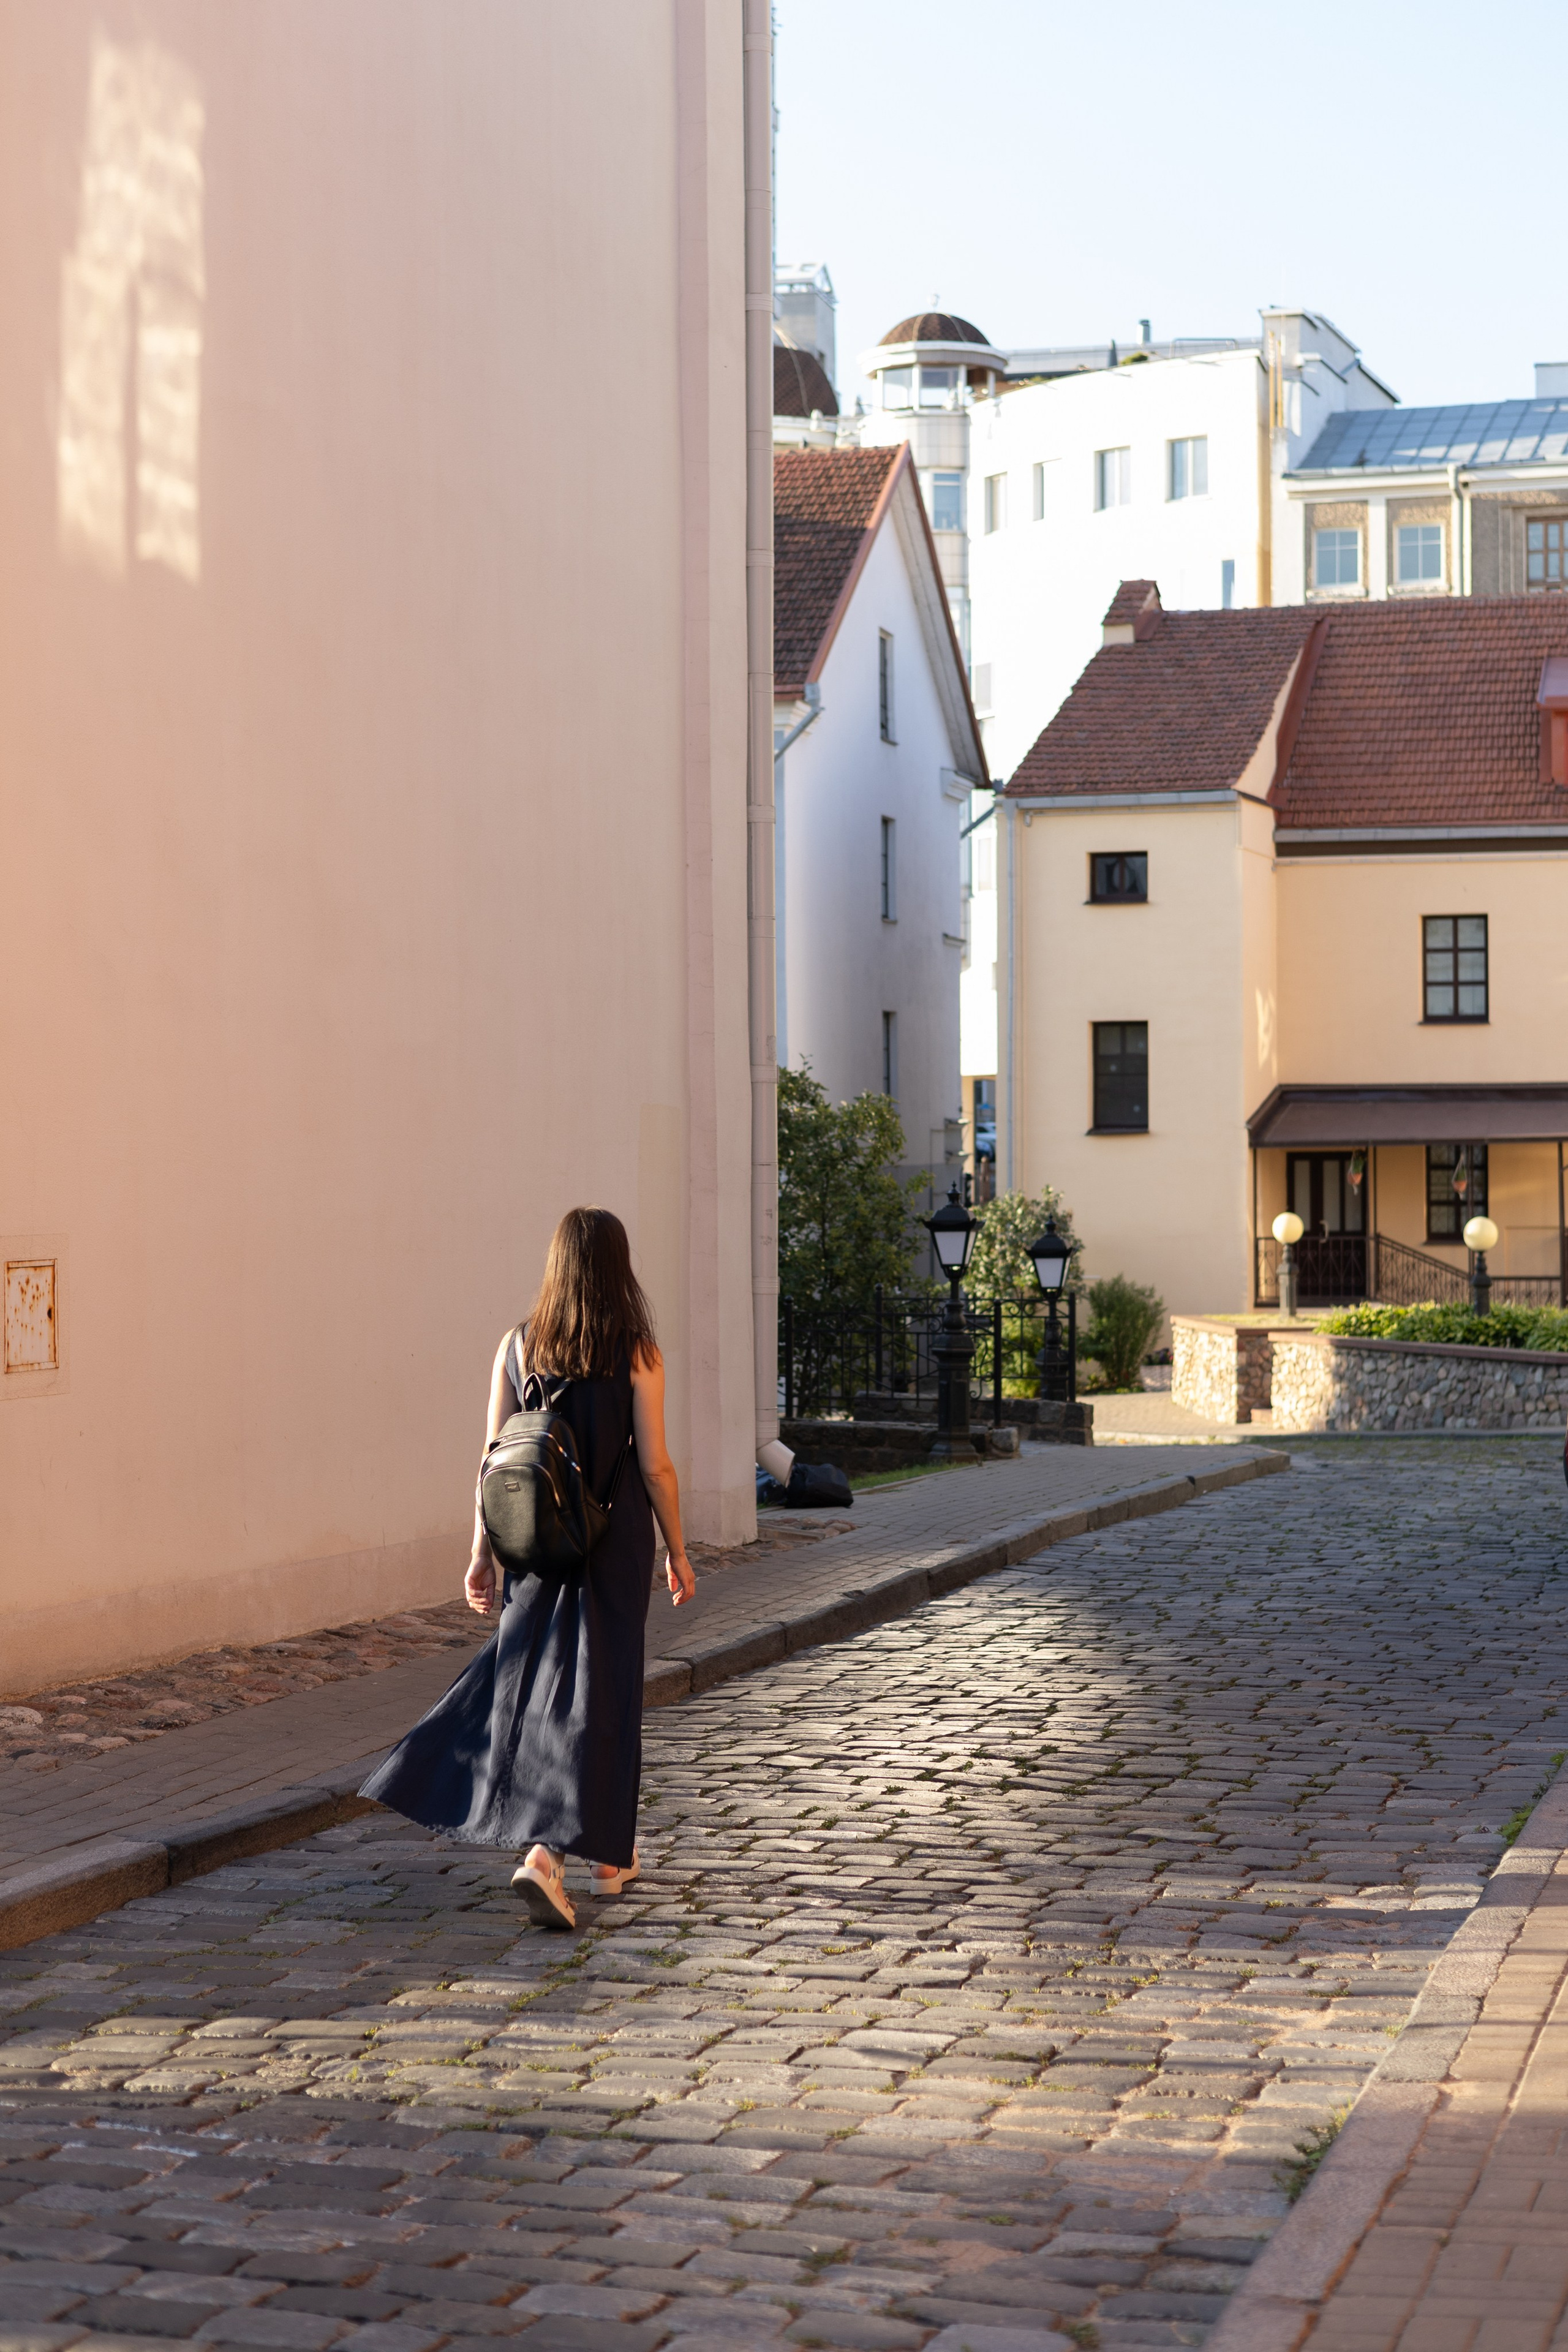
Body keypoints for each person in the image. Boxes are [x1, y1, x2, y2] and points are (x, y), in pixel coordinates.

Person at [360, 1207, 696, 1929]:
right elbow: (657, 1465)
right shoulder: (636, 1353)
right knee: (601, 1699)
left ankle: (610, 1854)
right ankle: (549, 1855)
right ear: (617, 1267)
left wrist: (479, 1554)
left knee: (541, 1690)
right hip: (613, 1544)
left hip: (537, 1542)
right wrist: (678, 1548)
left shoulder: (515, 1347)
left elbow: (494, 1462)